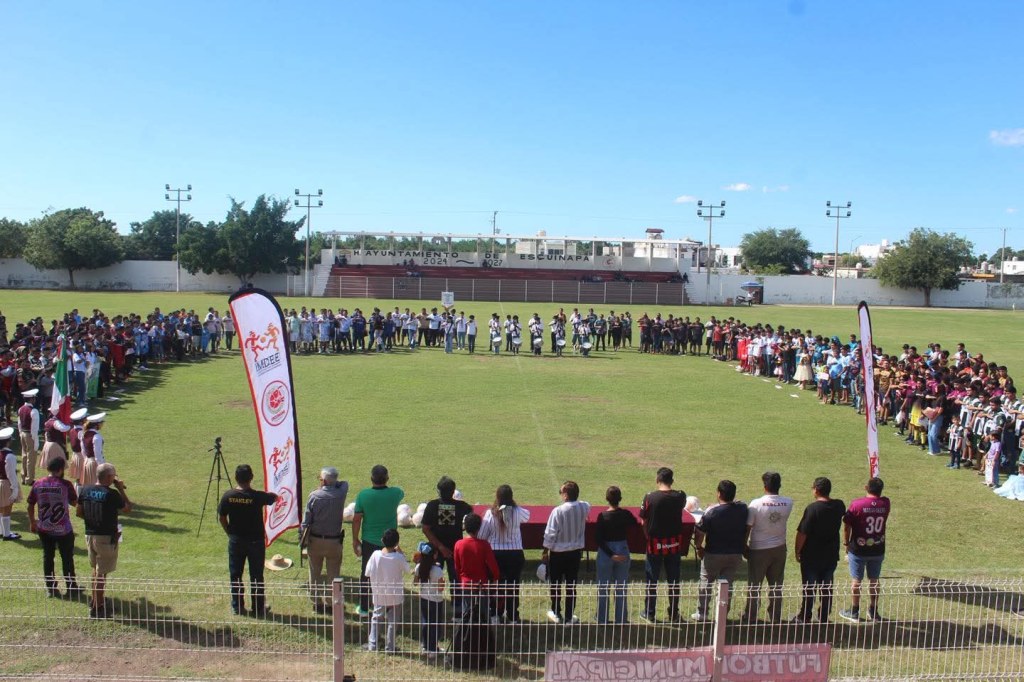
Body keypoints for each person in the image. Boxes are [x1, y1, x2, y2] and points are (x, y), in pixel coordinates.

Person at [217, 464, 278, 617]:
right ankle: (258, 608)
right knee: (257, 576)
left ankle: (237, 607)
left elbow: (222, 517)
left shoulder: (228, 496)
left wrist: (229, 532)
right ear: (251, 478)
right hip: (255, 542)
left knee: (235, 574)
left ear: (235, 478)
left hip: (236, 541)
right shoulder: (258, 497)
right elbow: (274, 498)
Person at [77, 462, 131, 619]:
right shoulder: (112, 494)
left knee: (95, 570)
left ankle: (95, 600)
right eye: (114, 475)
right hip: (106, 538)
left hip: (89, 535)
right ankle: (98, 608)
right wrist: (120, 488)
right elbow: (128, 508)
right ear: (108, 477)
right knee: (102, 573)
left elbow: (79, 512)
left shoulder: (85, 490)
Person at [352, 464, 405, 617]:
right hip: (390, 541)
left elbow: (356, 520)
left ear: (371, 479)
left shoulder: (363, 495)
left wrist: (355, 540)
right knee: (390, 574)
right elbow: (401, 491)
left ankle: (363, 608)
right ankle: (389, 607)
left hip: (369, 541)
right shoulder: (395, 493)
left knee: (366, 574)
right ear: (387, 478)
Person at [692, 480, 747, 621]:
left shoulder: (712, 512)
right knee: (727, 586)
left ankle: (702, 613)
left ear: (719, 493)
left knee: (706, 583)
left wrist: (699, 547)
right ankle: (722, 614)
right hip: (734, 554)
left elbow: (699, 532)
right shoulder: (742, 509)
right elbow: (740, 504)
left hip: (714, 553)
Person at [743, 471, 794, 624]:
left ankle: (751, 616)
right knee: (776, 586)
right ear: (779, 485)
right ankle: (775, 617)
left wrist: (744, 546)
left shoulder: (755, 504)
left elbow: (748, 528)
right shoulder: (788, 502)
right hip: (779, 548)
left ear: (764, 485)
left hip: (758, 548)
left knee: (754, 585)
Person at [793, 477, 845, 624]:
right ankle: (823, 616)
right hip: (830, 555)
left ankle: (805, 615)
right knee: (827, 587)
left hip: (812, 556)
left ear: (816, 489)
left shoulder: (812, 509)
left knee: (809, 588)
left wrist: (797, 551)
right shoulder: (839, 505)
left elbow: (802, 533)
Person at [639, 467, 688, 622]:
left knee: (652, 580)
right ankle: (673, 612)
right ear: (672, 481)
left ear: (657, 479)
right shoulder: (680, 496)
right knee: (674, 580)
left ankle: (650, 612)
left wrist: (647, 536)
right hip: (673, 545)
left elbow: (643, 521)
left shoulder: (649, 497)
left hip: (654, 545)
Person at [27, 457, 80, 596]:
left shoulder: (38, 484)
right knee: (67, 557)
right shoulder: (65, 485)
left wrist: (32, 521)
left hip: (44, 527)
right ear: (61, 469)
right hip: (63, 529)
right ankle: (71, 586)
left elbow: (30, 504)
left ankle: (50, 588)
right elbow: (75, 503)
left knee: (48, 557)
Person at [840, 477, 891, 623]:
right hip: (878, 547)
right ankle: (873, 611)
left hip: (858, 549)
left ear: (866, 488)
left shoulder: (857, 504)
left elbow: (847, 525)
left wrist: (846, 543)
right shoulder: (886, 503)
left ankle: (855, 611)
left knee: (856, 581)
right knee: (874, 580)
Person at [421, 475, 473, 615]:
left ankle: (433, 610)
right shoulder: (462, 506)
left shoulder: (432, 505)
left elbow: (425, 528)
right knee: (456, 581)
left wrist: (440, 547)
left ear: (438, 491)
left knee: (433, 579)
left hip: (436, 550)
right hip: (455, 550)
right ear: (453, 491)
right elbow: (473, 521)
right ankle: (458, 611)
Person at [300, 466, 349, 613]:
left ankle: (316, 602)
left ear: (324, 481)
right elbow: (344, 483)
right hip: (334, 541)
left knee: (314, 572)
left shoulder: (314, 496)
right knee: (333, 574)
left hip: (315, 540)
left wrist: (302, 539)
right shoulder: (341, 493)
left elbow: (306, 521)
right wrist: (332, 483)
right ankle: (331, 603)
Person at [479, 484, 530, 623]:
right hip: (515, 553)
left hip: (496, 554)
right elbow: (528, 516)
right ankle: (513, 615)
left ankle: (496, 613)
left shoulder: (490, 513)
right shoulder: (518, 511)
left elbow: (482, 535)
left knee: (496, 585)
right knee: (513, 585)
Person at [542, 480, 590, 624]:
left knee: (556, 584)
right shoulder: (584, 507)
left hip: (558, 553)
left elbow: (550, 534)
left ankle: (557, 612)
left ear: (566, 495)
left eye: (562, 492)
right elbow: (585, 504)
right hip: (575, 553)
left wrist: (545, 551)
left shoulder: (558, 511)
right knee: (571, 585)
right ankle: (569, 616)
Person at [595, 485, 637, 624]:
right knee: (621, 587)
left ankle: (602, 618)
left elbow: (599, 539)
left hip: (606, 551)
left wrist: (610, 554)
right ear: (620, 499)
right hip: (622, 549)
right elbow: (634, 523)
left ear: (607, 499)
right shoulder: (625, 514)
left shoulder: (602, 516)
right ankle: (621, 619)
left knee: (603, 587)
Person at [363, 528, 408, 653]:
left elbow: (367, 572)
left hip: (379, 593)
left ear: (382, 540)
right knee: (393, 621)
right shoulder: (398, 557)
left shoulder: (375, 555)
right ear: (396, 543)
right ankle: (390, 646)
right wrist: (401, 553)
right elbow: (408, 569)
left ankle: (373, 644)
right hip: (395, 595)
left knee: (376, 617)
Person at [412, 541, 445, 658]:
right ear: (435, 555)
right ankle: (433, 649)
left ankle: (425, 646)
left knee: (426, 622)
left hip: (424, 598)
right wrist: (443, 583)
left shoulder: (419, 567)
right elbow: (441, 588)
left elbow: (415, 583)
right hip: (436, 600)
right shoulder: (437, 570)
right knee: (435, 624)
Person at [1, 426, 23, 541]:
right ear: (8, 442)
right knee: (7, 509)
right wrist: (14, 489)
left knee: (1, 508)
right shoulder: (9, 456)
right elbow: (11, 474)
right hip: (6, 484)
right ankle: (6, 534)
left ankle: (2, 531)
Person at [17, 388, 40, 484]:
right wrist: (35, 441)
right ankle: (29, 479)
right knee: (31, 458)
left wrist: (20, 433)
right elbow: (34, 428)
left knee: (24, 456)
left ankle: (23, 476)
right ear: (32, 399)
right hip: (29, 434)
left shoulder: (21, 409)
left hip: (22, 433)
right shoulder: (33, 411)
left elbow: (19, 423)